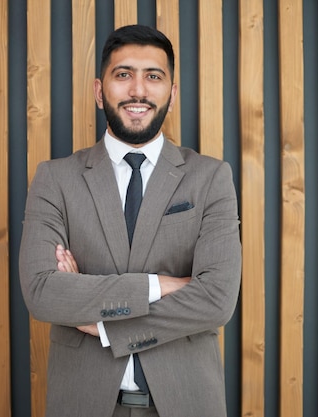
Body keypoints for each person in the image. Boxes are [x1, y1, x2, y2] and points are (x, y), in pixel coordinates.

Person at [19, 24, 242, 417]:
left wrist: (104, 324)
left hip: (186, 403)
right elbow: (42, 292)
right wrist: (163, 285)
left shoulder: (211, 178)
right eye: (123, 75)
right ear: (98, 90)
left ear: (171, 95)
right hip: (82, 404)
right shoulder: (55, 179)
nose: (138, 90)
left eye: (153, 77)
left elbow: (216, 300)